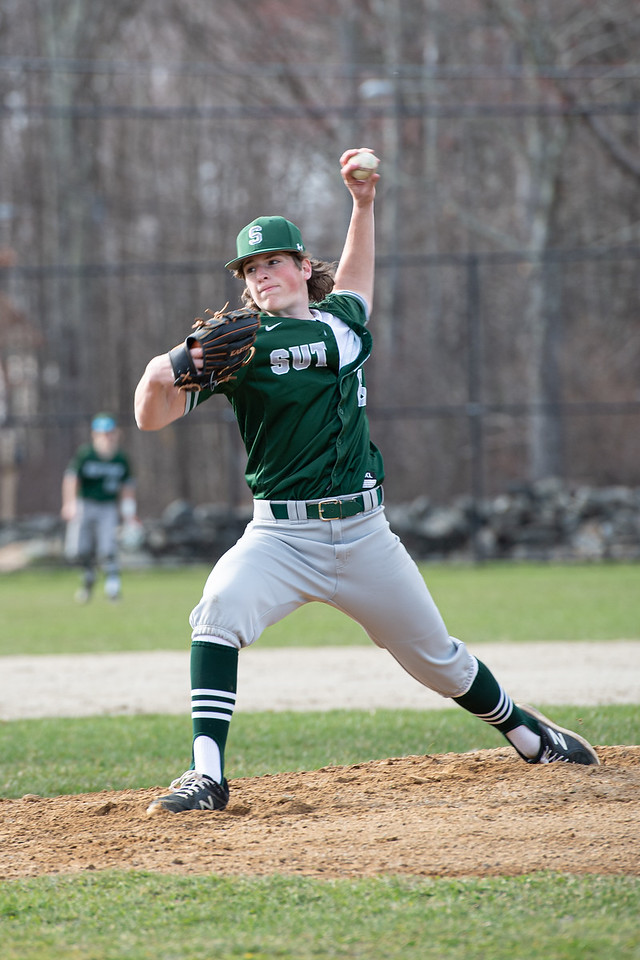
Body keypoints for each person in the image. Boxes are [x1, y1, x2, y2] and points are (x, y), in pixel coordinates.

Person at [134, 147, 599, 816]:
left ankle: (529, 734)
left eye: (273, 261)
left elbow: (358, 282)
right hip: (281, 537)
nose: (263, 274)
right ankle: (206, 775)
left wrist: (363, 204)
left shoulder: (343, 323)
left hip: (363, 533)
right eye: (251, 268)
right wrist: (160, 371)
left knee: (439, 660)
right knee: (217, 612)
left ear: (300, 267)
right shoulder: (239, 348)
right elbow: (152, 418)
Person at [61, 412, 137, 603]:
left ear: (116, 434)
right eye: (103, 434)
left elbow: (127, 487)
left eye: (110, 433)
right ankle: (88, 577)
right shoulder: (86, 454)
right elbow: (71, 479)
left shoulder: (120, 458)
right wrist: (69, 504)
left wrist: (129, 513)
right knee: (78, 548)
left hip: (108, 506)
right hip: (85, 504)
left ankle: (113, 585)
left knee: (108, 548)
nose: (107, 437)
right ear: (95, 435)